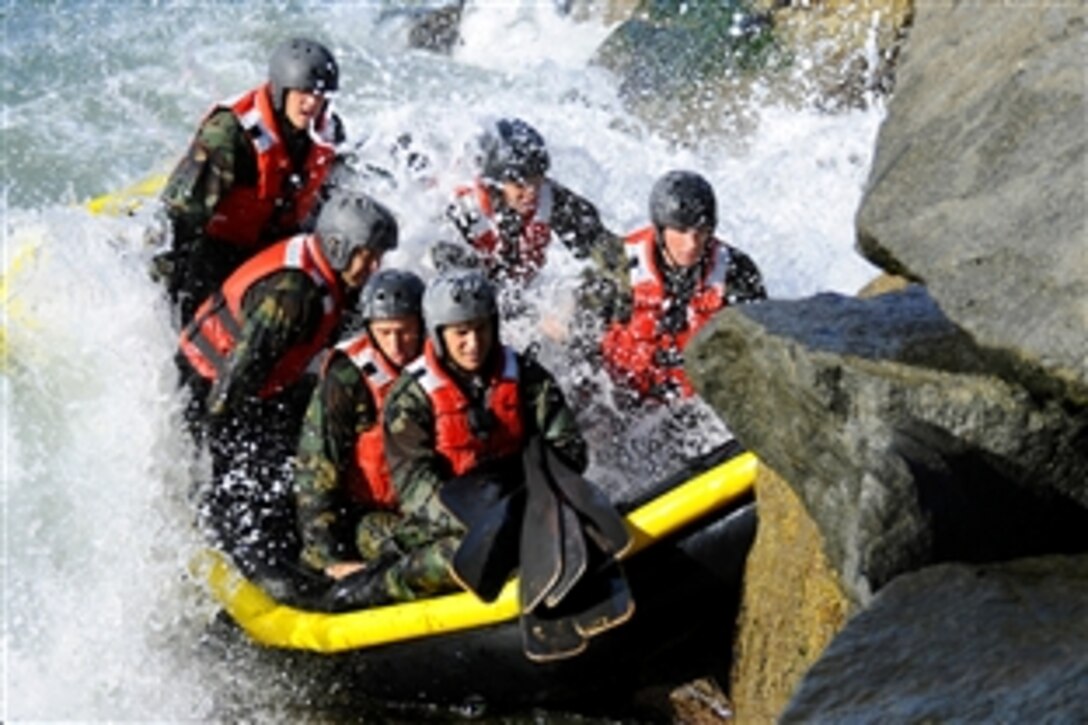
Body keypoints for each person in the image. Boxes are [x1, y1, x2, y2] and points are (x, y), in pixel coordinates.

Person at [176, 191, 398, 576]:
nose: (373, 265)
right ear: (338, 246)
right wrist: (214, 453)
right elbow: (235, 381)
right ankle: (261, 559)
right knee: (258, 478)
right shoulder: (292, 295)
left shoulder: (327, 275)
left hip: (259, 388)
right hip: (207, 390)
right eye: (367, 254)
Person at [346, 269, 588, 605]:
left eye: (481, 330)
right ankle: (373, 587)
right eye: (461, 333)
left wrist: (533, 498)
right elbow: (416, 489)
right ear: (439, 334)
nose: (473, 344)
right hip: (441, 521)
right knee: (458, 555)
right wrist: (481, 523)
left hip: (519, 503)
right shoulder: (412, 397)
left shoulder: (527, 376)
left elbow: (570, 448)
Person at [157, 36, 346, 323]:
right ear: (283, 90)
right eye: (304, 93)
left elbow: (334, 197)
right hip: (214, 250)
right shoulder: (230, 135)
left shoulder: (326, 132)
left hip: (277, 243)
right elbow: (181, 221)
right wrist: (170, 296)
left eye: (320, 96)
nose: (312, 103)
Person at [579, 170, 767, 405]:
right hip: (618, 396)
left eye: (701, 231)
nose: (692, 243)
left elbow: (758, 353)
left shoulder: (737, 272)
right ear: (660, 229)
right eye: (681, 231)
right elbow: (577, 333)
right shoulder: (618, 265)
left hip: (693, 408)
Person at [293, 268, 426, 581]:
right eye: (385, 333)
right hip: (371, 514)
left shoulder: (443, 359)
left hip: (436, 504)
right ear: (370, 330)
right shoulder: (347, 378)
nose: (396, 345)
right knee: (409, 549)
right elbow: (316, 469)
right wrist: (328, 558)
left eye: (406, 331)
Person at [441, 117, 615, 284]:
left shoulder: (552, 198)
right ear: (494, 184)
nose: (531, 191)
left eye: (536, 178)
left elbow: (606, 251)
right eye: (520, 183)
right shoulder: (462, 213)